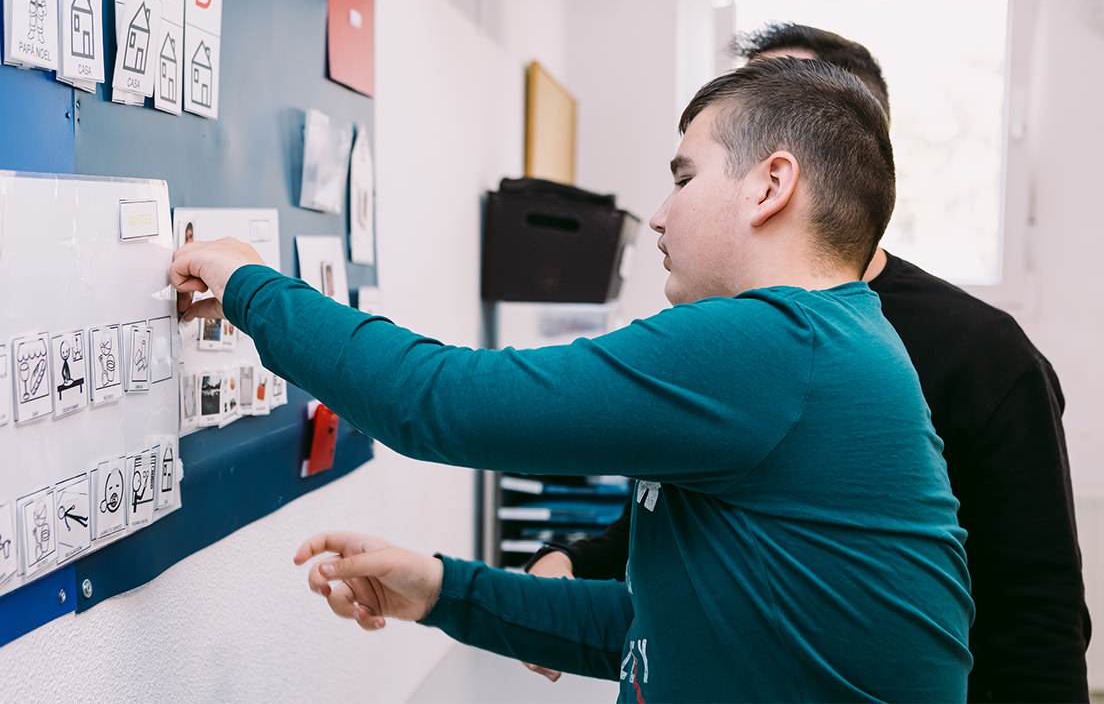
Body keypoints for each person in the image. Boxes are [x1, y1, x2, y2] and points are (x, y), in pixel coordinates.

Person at [171, 58, 974, 702]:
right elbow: (662, 628)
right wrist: (441, 591)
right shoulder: (838, 341)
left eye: (685, 178)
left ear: (770, 185)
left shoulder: (775, 342)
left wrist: (250, 283)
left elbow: (439, 403)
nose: (658, 214)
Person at [523, 23, 1092, 703]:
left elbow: (1036, 618)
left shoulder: (982, 353)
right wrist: (574, 558)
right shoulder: (715, 329)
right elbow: (682, 508)